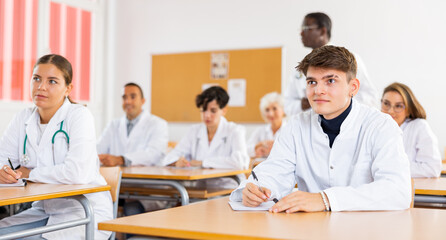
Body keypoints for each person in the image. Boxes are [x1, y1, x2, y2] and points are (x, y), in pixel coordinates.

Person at [230, 46, 411, 212]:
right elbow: (275, 172)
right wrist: (257, 190)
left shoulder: (380, 125)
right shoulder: (295, 126)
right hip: (310, 229)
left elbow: (397, 191)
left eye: (330, 81)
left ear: (353, 87)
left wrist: (326, 199)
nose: (318, 90)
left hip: (367, 230)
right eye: (312, 82)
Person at [0, 54, 112, 239]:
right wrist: (4, 171)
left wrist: (30, 174)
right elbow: (4, 160)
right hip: (45, 209)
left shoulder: (79, 116)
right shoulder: (22, 118)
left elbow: (77, 172)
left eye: (52, 81)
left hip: (84, 211)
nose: (41, 87)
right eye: (36, 79)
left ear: (68, 89)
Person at [284, 12, 378, 116]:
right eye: (311, 82)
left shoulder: (349, 60)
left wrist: (340, 102)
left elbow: (370, 98)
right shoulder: (301, 65)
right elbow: (287, 104)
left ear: (322, 31)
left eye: (307, 28)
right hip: (311, 124)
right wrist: (302, 106)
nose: (301, 33)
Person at [161, 86, 249, 188]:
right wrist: (177, 162)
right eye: (203, 110)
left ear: (224, 110)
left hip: (229, 187)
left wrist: (203, 162)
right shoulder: (194, 131)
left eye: (213, 110)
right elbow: (169, 157)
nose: (207, 115)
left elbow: (240, 162)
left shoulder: (235, 130)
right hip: (201, 189)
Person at [97, 82, 168, 167]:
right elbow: (98, 149)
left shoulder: (158, 124)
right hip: (114, 176)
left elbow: (154, 154)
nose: (128, 101)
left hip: (144, 177)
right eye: (124, 97)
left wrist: (121, 159)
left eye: (133, 97)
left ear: (143, 101)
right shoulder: (113, 125)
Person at [381, 82, 441, 177]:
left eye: (398, 106)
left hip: (408, 187)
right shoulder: (377, 128)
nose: (390, 111)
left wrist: (392, 167)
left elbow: (432, 168)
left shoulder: (419, 127)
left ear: (408, 109)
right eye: (386, 104)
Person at [247, 92, 286, 158]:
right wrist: (258, 146)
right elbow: (246, 150)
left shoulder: (290, 129)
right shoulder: (260, 131)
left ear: (283, 110)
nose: (271, 114)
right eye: (267, 110)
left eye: (274, 108)